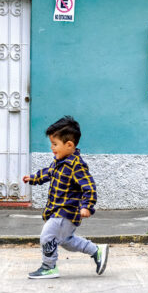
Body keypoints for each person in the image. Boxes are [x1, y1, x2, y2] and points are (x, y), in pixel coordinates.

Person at [23, 116, 108, 279]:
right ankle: (96, 251)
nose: (51, 147)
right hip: (57, 210)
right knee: (67, 241)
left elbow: (89, 186)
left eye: (55, 144)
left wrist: (87, 206)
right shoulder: (59, 161)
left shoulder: (77, 165)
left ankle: (49, 267)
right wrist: (33, 178)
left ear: (69, 145)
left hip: (66, 211)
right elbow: (48, 172)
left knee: (47, 236)